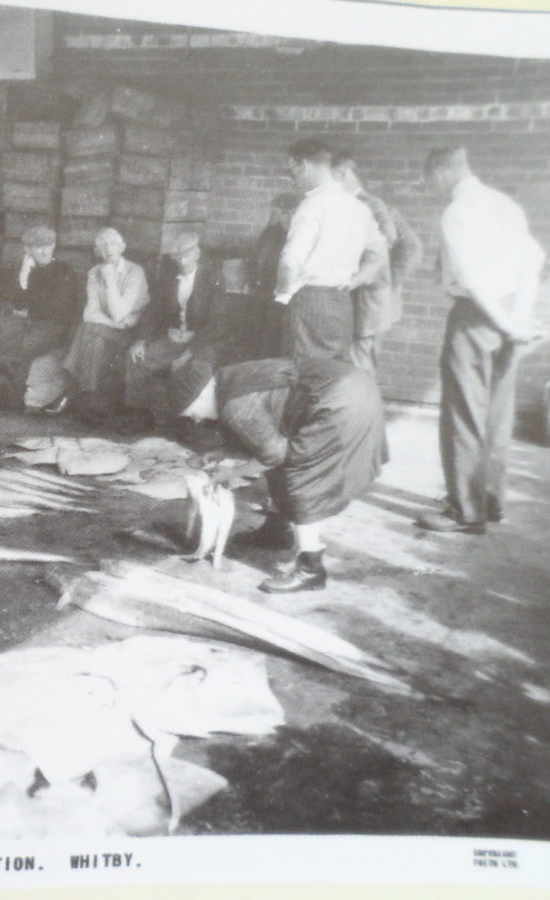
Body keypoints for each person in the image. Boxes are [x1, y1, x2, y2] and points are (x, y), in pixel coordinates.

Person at [416, 147, 545, 534]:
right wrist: (517, 319)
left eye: (431, 181)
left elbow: (472, 281)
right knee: (496, 413)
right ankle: (490, 502)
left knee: (464, 413)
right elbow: (532, 263)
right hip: (509, 313)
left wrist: (503, 322)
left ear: (440, 174)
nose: (433, 188)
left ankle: (464, 512)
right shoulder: (506, 205)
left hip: (477, 316)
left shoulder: (456, 212)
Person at [181, 356, 387, 593]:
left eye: (192, 411)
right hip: (353, 386)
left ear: (202, 395)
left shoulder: (235, 407)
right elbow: (263, 429)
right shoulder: (228, 377)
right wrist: (221, 452)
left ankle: (310, 570)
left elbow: (273, 455)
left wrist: (232, 473)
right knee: (282, 458)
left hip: (341, 405)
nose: (195, 419)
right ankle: (276, 531)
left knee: (301, 473)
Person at [275, 139, 384, 362]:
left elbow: (289, 262)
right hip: (343, 302)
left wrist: (283, 295)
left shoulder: (312, 204)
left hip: (309, 300)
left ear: (303, 165)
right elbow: (378, 254)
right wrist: (355, 281)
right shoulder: (359, 207)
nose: (293, 178)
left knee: (302, 374)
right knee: (333, 376)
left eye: (292, 169)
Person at [331, 152, 424, 373]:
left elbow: (408, 246)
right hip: (356, 300)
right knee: (352, 362)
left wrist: (386, 282)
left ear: (342, 174)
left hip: (366, 301)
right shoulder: (350, 204)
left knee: (359, 363)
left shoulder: (370, 205)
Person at [122, 231, 216, 432]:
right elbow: (153, 312)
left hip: (199, 344)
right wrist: (140, 341)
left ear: (197, 253)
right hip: (172, 340)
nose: (182, 262)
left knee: (197, 370)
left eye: (186, 256)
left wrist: (189, 353)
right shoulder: (169, 279)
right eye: (177, 257)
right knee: (136, 358)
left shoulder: (212, 279)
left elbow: (216, 324)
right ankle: (140, 415)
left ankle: (187, 421)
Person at [0, 225, 81, 409]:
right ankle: (9, 393)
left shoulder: (63, 271)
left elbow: (55, 308)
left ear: (53, 246)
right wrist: (23, 276)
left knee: (24, 346)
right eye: (37, 247)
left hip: (56, 327)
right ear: (27, 250)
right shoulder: (29, 271)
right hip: (34, 323)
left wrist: (30, 308)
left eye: (48, 245)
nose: (44, 251)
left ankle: (12, 398)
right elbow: (19, 303)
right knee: (5, 342)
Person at [61, 227, 150, 422]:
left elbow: (120, 312)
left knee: (90, 331)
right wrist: (116, 323)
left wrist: (110, 280)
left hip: (131, 334)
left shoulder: (135, 273)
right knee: (93, 336)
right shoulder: (94, 272)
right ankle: (91, 401)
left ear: (122, 247)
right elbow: (89, 313)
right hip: (110, 330)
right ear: (97, 250)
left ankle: (82, 396)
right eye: (103, 244)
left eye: (113, 243)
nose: (108, 248)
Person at [251, 193, 300, 359]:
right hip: (263, 296)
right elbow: (256, 256)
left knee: (276, 345)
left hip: (284, 300)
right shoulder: (271, 232)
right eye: (285, 213)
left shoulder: (298, 237)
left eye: (294, 213)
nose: (289, 218)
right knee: (259, 343)